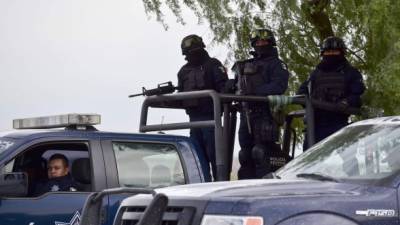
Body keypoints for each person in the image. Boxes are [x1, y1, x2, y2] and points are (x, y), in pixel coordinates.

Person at [234, 28, 290, 179]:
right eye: (257, 42)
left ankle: (263, 187)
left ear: (270, 43)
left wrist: (256, 92)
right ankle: (244, 188)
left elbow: (279, 86)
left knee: (261, 152)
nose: (260, 44)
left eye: (264, 41)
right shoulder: (245, 65)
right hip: (246, 114)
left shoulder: (277, 64)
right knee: (245, 154)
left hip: (265, 114)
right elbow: (235, 86)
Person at [298, 36, 365, 149]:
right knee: (309, 159)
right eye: (328, 52)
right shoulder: (316, 73)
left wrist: (346, 102)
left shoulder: (351, 73)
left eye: (334, 51)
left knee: (348, 156)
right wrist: (308, 102)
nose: (331, 54)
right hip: (316, 122)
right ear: (323, 53)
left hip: (338, 121)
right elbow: (302, 91)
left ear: (342, 53)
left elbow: (357, 95)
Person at [177, 34, 228, 180]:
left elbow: (223, 88)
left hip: (212, 121)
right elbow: (181, 94)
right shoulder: (183, 71)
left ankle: (220, 187)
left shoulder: (213, 65)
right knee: (198, 160)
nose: (191, 54)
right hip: (194, 122)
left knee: (216, 158)